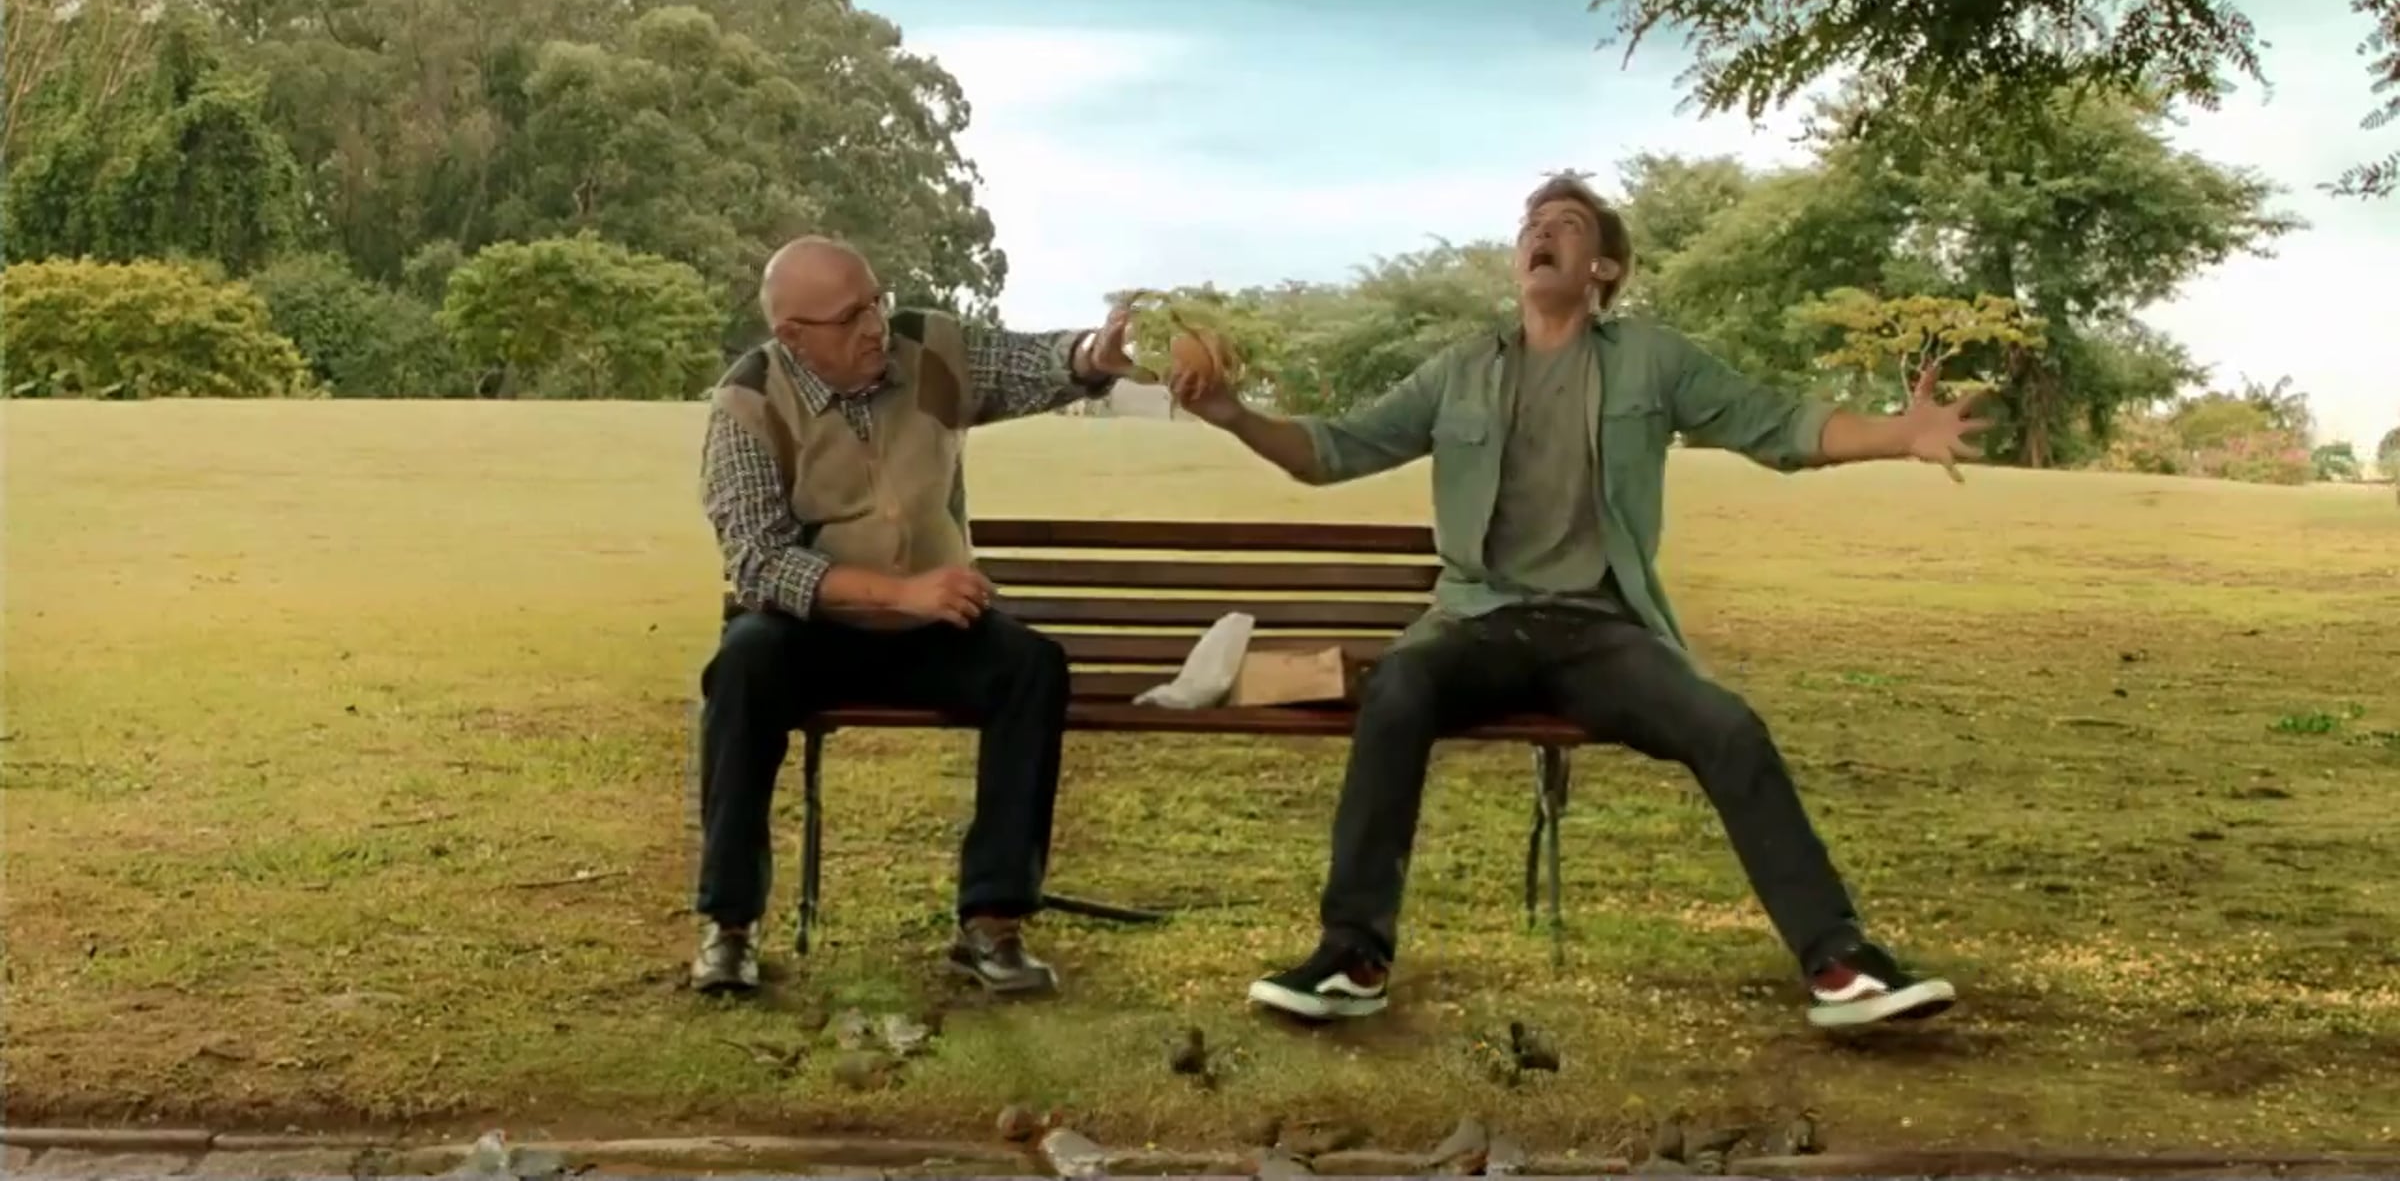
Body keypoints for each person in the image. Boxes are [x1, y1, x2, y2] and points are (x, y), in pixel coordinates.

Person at [1168, 176, 1982, 1030]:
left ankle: (1841, 962)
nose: (1541, 233)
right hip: (1478, 623)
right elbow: (1333, 450)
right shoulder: (1461, 371)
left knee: (1726, 726)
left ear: (1604, 268)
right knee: (1399, 688)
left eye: (1565, 223)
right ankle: (1351, 957)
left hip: (1601, 634)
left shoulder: (1651, 360)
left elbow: (1774, 423)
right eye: (1532, 223)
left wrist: (1900, 432)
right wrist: (1232, 414)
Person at [691, 235, 1136, 998]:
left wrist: (1095, 353)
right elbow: (759, 561)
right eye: (850, 317)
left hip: (933, 629)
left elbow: (1027, 364)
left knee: (1030, 668)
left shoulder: (930, 348)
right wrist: (900, 593)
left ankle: (992, 922)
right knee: (741, 668)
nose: (875, 326)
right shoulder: (747, 401)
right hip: (810, 632)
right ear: (793, 335)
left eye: (877, 301)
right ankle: (729, 927)